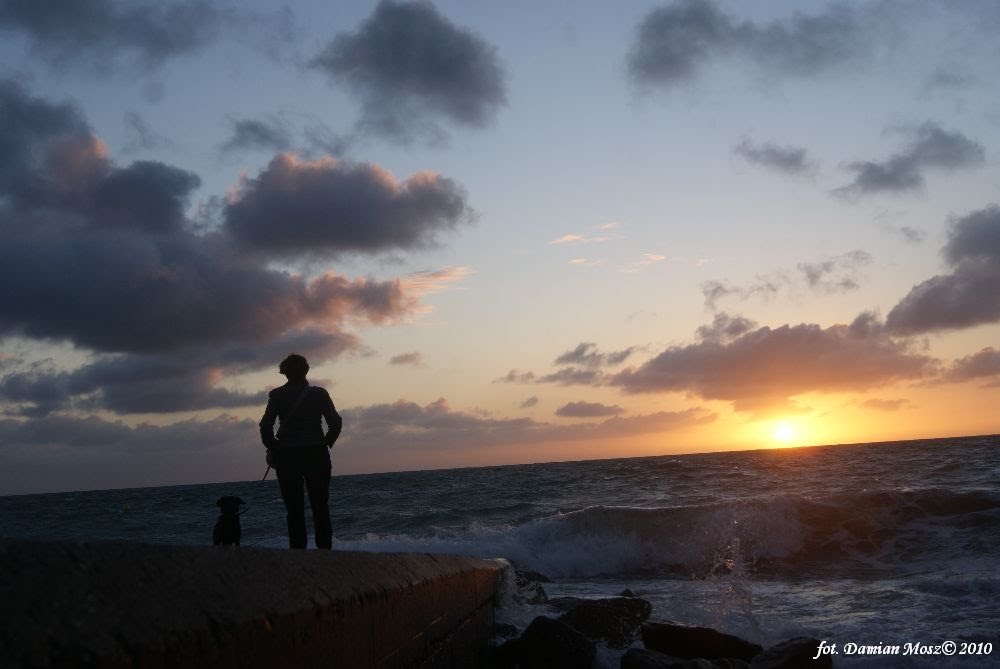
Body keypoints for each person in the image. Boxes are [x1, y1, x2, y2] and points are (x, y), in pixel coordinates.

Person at [259, 354, 342, 549]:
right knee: (320, 506)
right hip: (316, 454)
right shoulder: (320, 394)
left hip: (288, 457)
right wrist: (325, 443)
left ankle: (298, 553)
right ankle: (325, 553)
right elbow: (336, 423)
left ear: (284, 372)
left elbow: (265, 426)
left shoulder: (277, 395)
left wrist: (273, 448)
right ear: (306, 370)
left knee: (294, 509)